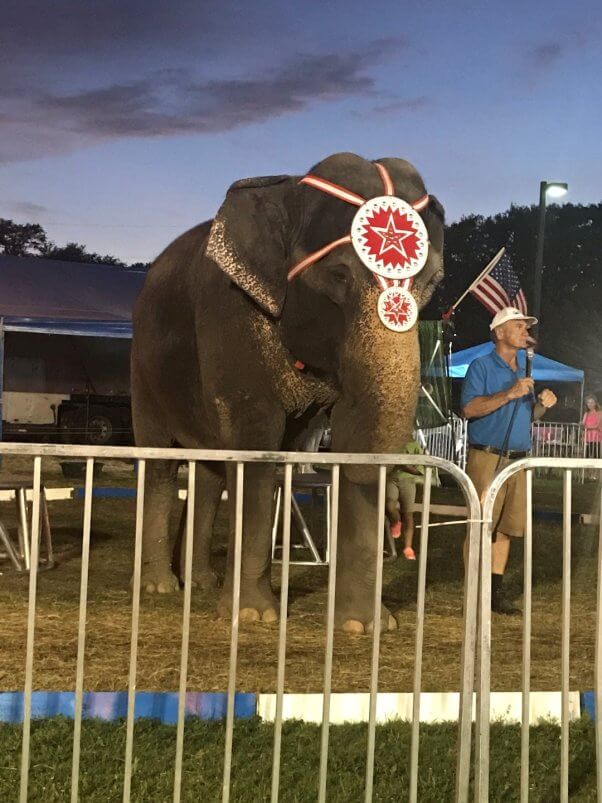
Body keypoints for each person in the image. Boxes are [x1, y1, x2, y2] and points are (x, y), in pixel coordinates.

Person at [461, 306, 557, 614]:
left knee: (507, 529)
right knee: (480, 526)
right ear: (500, 332)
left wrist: (542, 406)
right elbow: (469, 409)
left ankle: (494, 592)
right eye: (519, 326)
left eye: (526, 327)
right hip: (488, 457)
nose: (525, 332)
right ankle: (474, 591)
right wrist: (509, 393)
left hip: (518, 461)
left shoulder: (524, 370)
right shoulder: (481, 366)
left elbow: (525, 417)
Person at [386, 440, 424, 560]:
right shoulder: (391, 441)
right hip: (391, 479)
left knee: (408, 513)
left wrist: (405, 466)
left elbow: (419, 470)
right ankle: (396, 522)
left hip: (408, 481)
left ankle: (408, 547)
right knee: (389, 505)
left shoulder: (415, 445)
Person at [582, 395, 602, 460]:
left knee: (596, 456)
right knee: (586, 456)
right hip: (587, 437)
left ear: (595, 403)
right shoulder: (586, 413)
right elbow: (583, 424)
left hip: (596, 437)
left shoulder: (599, 413)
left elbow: (597, 425)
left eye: (592, 402)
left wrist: (586, 427)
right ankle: (586, 469)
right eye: (588, 402)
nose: (590, 404)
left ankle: (597, 470)